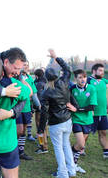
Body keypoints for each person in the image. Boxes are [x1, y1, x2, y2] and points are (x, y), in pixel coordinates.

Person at [38, 49, 76, 178]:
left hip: (57, 123)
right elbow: (67, 69)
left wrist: (40, 129)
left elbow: (44, 112)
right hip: (67, 120)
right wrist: (56, 57)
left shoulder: (46, 92)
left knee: (59, 148)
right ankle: (71, 170)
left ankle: (63, 173)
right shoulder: (64, 81)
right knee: (65, 145)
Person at [69, 69, 97, 173]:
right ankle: (70, 159)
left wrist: (77, 109)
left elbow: (92, 107)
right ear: (75, 78)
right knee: (81, 144)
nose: (83, 79)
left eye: (84, 77)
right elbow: (68, 102)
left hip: (88, 120)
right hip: (76, 119)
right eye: (80, 77)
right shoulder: (72, 89)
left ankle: (73, 163)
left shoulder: (91, 88)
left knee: (80, 146)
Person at [87, 63, 108, 158]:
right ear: (94, 71)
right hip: (91, 113)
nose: (102, 73)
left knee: (103, 132)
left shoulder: (104, 81)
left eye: (103, 71)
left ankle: (106, 152)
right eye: (100, 71)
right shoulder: (87, 81)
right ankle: (79, 149)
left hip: (103, 112)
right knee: (85, 133)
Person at [33, 68, 48, 154]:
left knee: (40, 127)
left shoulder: (39, 84)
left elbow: (38, 97)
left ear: (37, 75)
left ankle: (42, 145)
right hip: (46, 107)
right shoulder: (46, 82)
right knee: (44, 127)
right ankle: (43, 143)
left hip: (40, 108)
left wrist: (37, 107)